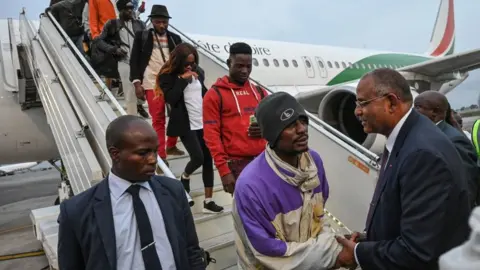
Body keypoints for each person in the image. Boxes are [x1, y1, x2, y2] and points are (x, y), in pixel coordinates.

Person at [336, 68, 470, 270]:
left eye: (363, 103)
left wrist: (357, 253)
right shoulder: (408, 139)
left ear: (391, 102)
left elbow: (416, 251)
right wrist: (369, 240)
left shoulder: (421, 155)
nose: (357, 111)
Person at [57, 115, 206, 270]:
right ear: (115, 154)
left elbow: (191, 251)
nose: (153, 159)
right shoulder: (77, 210)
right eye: (143, 153)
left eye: (155, 151)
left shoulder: (173, 191)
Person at [232, 92, 353, 269]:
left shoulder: (314, 162)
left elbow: (318, 218)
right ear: (272, 135)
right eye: (290, 125)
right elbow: (267, 252)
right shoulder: (251, 186)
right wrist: (335, 255)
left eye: (303, 121)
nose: (302, 129)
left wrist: (333, 245)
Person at [158, 43, 224, 213]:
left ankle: (208, 201)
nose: (190, 66)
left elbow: (204, 94)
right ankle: (185, 176)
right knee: (198, 158)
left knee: (209, 160)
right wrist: (182, 80)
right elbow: (171, 99)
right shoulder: (168, 76)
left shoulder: (198, 72)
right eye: (186, 63)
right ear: (178, 62)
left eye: (192, 63)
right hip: (186, 124)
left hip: (203, 121)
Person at [203, 42, 268, 194]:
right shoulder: (214, 95)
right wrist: (224, 171)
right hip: (237, 165)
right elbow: (211, 136)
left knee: (272, 210)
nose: (245, 71)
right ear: (228, 63)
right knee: (248, 213)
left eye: (248, 66)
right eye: (239, 66)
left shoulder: (259, 91)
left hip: (265, 160)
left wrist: (264, 128)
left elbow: (275, 121)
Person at [130, 4, 185, 167]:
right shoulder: (142, 36)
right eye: (158, 22)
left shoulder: (175, 38)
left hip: (171, 80)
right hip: (151, 81)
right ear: (152, 21)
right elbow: (134, 60)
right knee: (158, 118)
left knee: (178, 113)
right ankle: (161, 157)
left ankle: (172, 145)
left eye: (164, 22)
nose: (162, 25)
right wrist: (136, 82)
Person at [415, 91, 479, 207]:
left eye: (418, 107)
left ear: (434, 112)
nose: (413, 112)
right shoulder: (430, 135)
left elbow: (467, 185)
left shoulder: (454, 140)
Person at [95, 0, 148, 117]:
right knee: (129, 92)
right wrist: (114, 49)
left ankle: (139, 104)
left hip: (140, 62)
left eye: (131, 8)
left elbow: (148, 41)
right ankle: (133, 119)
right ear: (121, 10)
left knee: (143, 89)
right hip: (124, 61)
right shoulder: (112, 24)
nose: (130, 10)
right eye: (127, 8)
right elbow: (99, 41)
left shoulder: (140, 24)